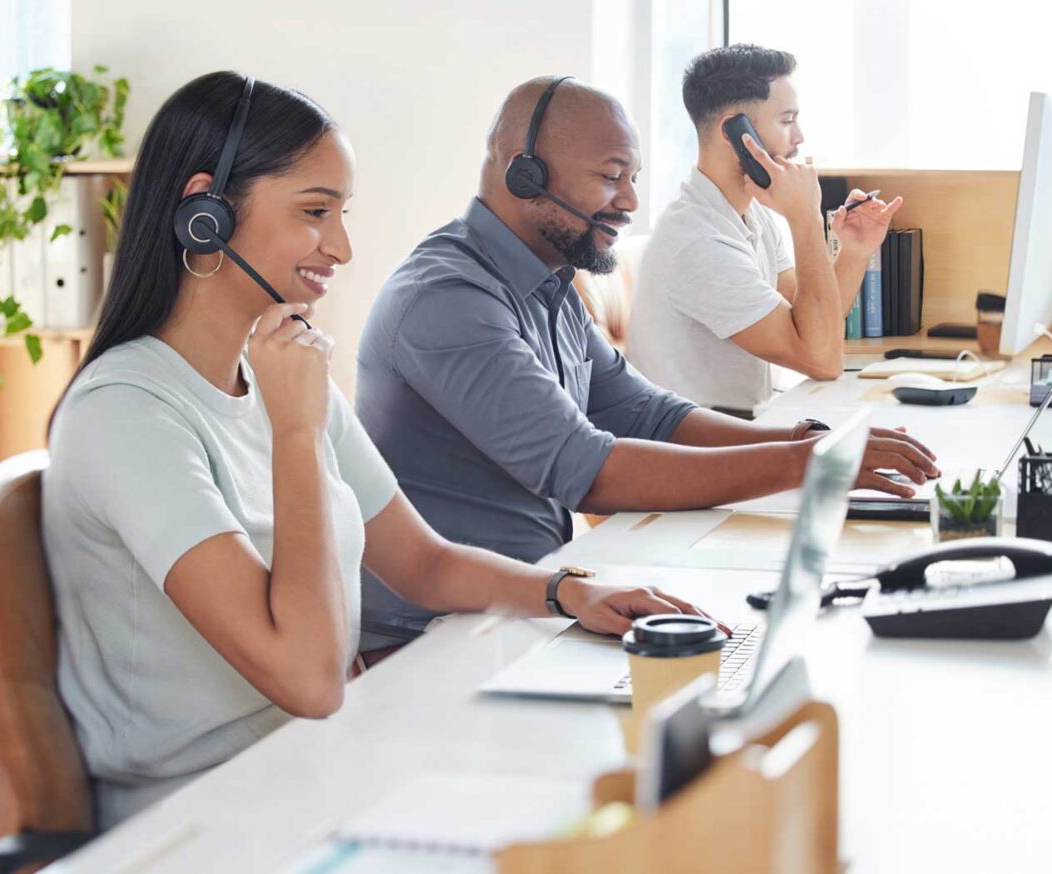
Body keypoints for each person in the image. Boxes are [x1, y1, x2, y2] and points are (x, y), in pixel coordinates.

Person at [42, 71, 708, 829]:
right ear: (207, 212)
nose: (344, 246)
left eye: (342, 213)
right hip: (212, 814)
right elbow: (309, 678)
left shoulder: (280, 373)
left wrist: (566, 594)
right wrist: (295, 434)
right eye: (315, 212)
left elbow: (422, 562)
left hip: (328, 762)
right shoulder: (127, 413)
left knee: (616, 787)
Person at [355, 76, 936, 651]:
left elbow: (646, 414)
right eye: (611, 178)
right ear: (522, 173)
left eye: (633, 179)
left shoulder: (544, 279)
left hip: (540, 598)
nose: (630, 202)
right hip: (435, 636)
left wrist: (803, 439)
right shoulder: (449, 299)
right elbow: (589, 472)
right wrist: (804, 464)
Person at [628, 44, 903, 414]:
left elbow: (808, 324)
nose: (800, 136)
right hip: (700, 453)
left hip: (743, 431)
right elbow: (821, 358)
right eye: (787, 120)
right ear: (736, 133)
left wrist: (854, 251)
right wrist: (805, 218)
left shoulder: (750, 214)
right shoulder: (697, 240)